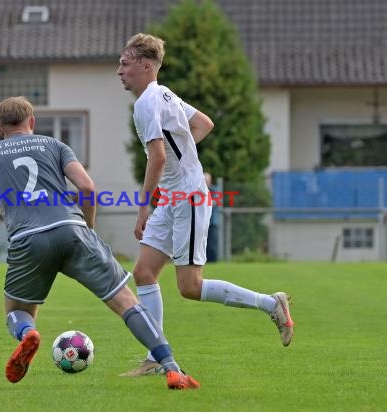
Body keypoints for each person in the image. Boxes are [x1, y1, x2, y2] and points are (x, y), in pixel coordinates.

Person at [0, 96, 199, 390]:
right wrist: (89, 229)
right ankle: (171, 368)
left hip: (27, 240)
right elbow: (87, 187)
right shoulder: (54, 145)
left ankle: (28, 333)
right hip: (72, 229)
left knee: (16, 312)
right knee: (126, 302)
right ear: (32, 122)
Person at [116, 33, 294, 377]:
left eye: (125, 64)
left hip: (188, 197)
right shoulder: (164, 94)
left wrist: (143, 206)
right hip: (174, 195)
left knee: (190, 286)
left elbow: (156, 157)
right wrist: (182, 157)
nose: (119, 71)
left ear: (146, 65)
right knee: (143, 272)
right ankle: (156, 358)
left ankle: (271, 304)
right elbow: (203, 124)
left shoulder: (146, 103)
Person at [204, 173, 218, 263]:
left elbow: (215, 202)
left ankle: (212, 261)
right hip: (201, 223)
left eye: (207, 180)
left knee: (211, 244)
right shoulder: (198, 190)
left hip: (212, 223)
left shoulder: (213, 190)